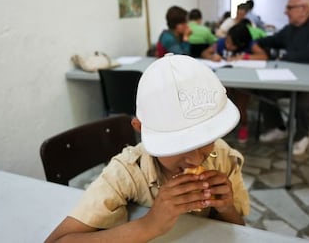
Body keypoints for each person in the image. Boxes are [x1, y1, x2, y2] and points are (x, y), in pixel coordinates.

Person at [45, 54, 250, 243]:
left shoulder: (223, 159)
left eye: (207, 140)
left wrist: (226, 208)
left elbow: (241, 230)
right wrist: (149, 225)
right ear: (140, 128)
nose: (196, 160)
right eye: (178, 145)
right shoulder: (128, 171)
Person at [256, 0, 309, 155]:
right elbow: (273, 40)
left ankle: (301, 136)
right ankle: (278, 127)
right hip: (290, 76)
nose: (285, 12)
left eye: (289, 8)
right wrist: (254, 43)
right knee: (264, 91)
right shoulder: (291, 28)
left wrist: (280, 56)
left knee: (302, 102)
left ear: (304, 9)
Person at [203, 20, 268, 143]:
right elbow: (205, 53)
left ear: (241, 43)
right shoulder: (221, 43)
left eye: (231, 44)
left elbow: (263, 56)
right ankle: (221, 126)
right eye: (227, 40)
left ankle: (244, 125)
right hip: (223, 80)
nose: (227, 45)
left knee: (241, 105)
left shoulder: (250, 45)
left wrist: (245, 57)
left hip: (243, 81)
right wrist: (212, 56)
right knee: (219, 102)